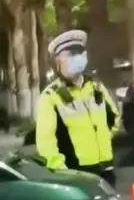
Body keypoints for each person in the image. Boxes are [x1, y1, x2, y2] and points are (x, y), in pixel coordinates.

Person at [36, 29, 120, 187]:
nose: (76, 58)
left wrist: (100, 140)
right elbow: (45, 143)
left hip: (105, 168)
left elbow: (114, 120)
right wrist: (62, 172)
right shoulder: (51, 96)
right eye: (69, 55)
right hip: (75, 174)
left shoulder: (96, 87)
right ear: (57, 62)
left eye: (79, 53)